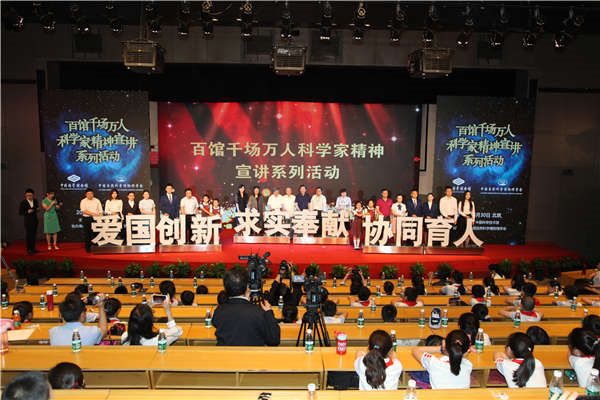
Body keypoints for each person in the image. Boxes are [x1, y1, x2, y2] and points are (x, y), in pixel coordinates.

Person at [212, 268, 280, 346]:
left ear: (225, 288)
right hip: (252, 354)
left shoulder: (218, 311)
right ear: (248, 287)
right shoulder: (258, 312)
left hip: (225, 353)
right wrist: (269, 313)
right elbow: (274, 340)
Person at [79, 188, 103, 253]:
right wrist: (93, 214)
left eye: (91, 193)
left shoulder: (97, 200)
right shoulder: (83, 201)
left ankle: (95, 247)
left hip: (96, 219)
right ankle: (88, 248)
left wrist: (100, 217)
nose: (90, 195)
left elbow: (100, 210)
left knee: (96, 233)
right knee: (87, 233)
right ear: (86, 194)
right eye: (88, 194)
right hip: (87, 219)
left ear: (93, 194)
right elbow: (84, 211)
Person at [19, 188, 40, 255]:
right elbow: (20, 212)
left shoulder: (35, 201)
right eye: (27, 195)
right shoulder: (23, 202)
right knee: (29, 235)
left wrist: (37, 209)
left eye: (30, 195)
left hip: (35, 220)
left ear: (33, 195)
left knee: (34, 235)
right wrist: (27, 212)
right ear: (25, 195)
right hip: (28, 221)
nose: (29, 197)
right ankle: (29, 249)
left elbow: (37, 208)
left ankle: (33, 249)